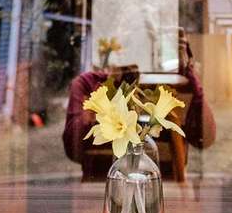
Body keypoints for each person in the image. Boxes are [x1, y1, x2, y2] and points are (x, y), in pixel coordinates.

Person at [62, 31, 217, 178]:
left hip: (165, 184)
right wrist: (105, 95)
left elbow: (204, 140)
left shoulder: (174, 84)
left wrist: (189, 73)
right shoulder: (87, 85)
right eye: (128, 46)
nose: (133, 60)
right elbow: (74, 150)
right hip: (101, 183)